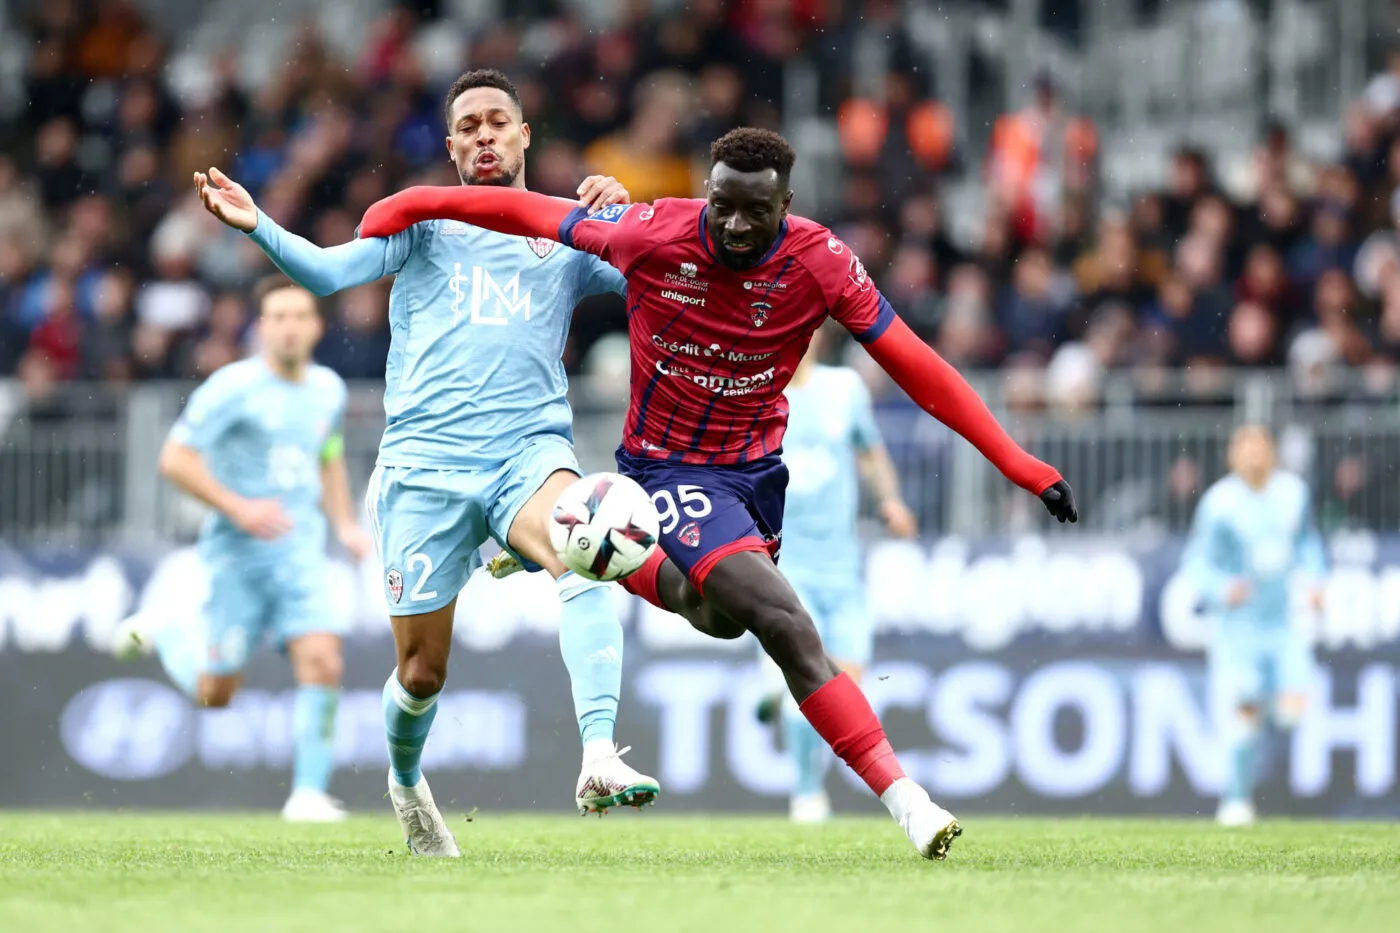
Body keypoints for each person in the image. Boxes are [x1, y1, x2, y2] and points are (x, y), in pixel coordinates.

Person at [355, 126, 1079, 861]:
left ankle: (587, 539)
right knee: (783, 619)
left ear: (785, 206)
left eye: (753, 212)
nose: (732, 225)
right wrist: (414, 203)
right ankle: (909, 800)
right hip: (667, 472)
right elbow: (528, 214)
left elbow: (918, 366)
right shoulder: (653, 231)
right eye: (721, 205)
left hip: (754, 476)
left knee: (721, 617)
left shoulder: (822, 261)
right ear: (707, 190)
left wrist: (1020, 463)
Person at [192, 69, 655, 857]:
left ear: (523, 136)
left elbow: (654, 274)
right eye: (468, 125)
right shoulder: (425, 225)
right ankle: (406, 784)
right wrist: (256, 225)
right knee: (421, 673)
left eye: (497, 122)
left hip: (527, 452)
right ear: (450, 146)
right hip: (423, 472)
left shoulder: (566, 232)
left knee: (587, 554)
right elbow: (330, 273)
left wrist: (627, 213)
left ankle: (599, 754)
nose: (483, 134)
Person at [113, 274, 371, 823]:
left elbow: (326, 455)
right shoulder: (232, 387)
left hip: (300, 554)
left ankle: (308, 794)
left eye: (300, 317)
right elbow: (175, 459)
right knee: (216, 694)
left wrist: (346, 524)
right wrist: (240, 507)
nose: (289, 328)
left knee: (323, 661)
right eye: (278, 318)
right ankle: (169, 632)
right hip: (236, 557)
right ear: (261, 328)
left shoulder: (329, 389)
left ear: (317, 327)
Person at [757, 324, 920, 823]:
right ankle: (806, 793)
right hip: (787, 570)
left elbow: (871, 453)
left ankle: (774, 693)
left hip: (844, 572)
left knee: (844, 690)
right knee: (812, 683)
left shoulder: (843, 389)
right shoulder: (757, 396)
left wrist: (890, 500)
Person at [1182, 425, 1325, 827]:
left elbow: (1308, 544)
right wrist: (1222, 588)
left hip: (1283, 624)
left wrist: (1315, 579)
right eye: (1245, 448)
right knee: (1244, 710)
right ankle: (1236, 799)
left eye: (1261, 447)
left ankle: (1270, 722)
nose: (1254, 456)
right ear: (1232, 456)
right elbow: (1197, 564)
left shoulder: (1293, 494)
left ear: (1273, 453)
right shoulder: (1219, 504)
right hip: (1238, 630)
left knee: (1292, 713)